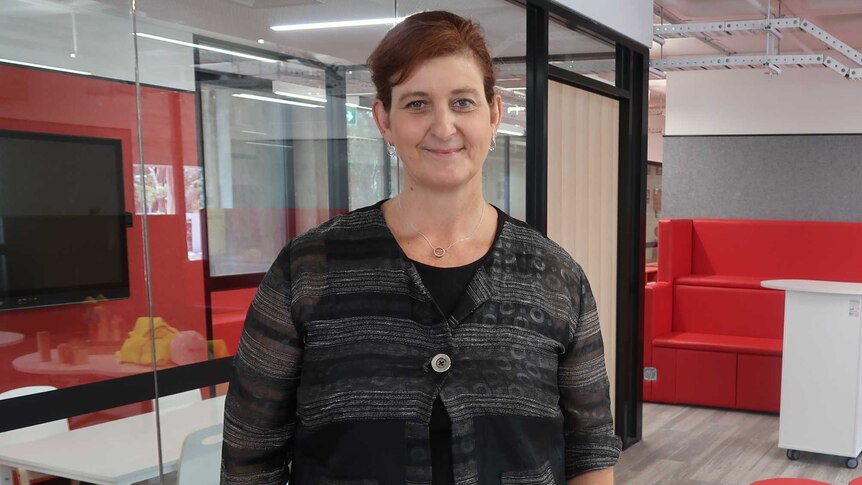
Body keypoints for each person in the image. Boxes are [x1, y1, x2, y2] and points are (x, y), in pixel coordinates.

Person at [221, 10, 621, 485]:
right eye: (416, 104)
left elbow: (590, 451)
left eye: (463, 102)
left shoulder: (555, 276)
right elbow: (250, 455)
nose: (443, 126)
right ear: (384, 120)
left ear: (493, 115)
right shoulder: (309, 269)